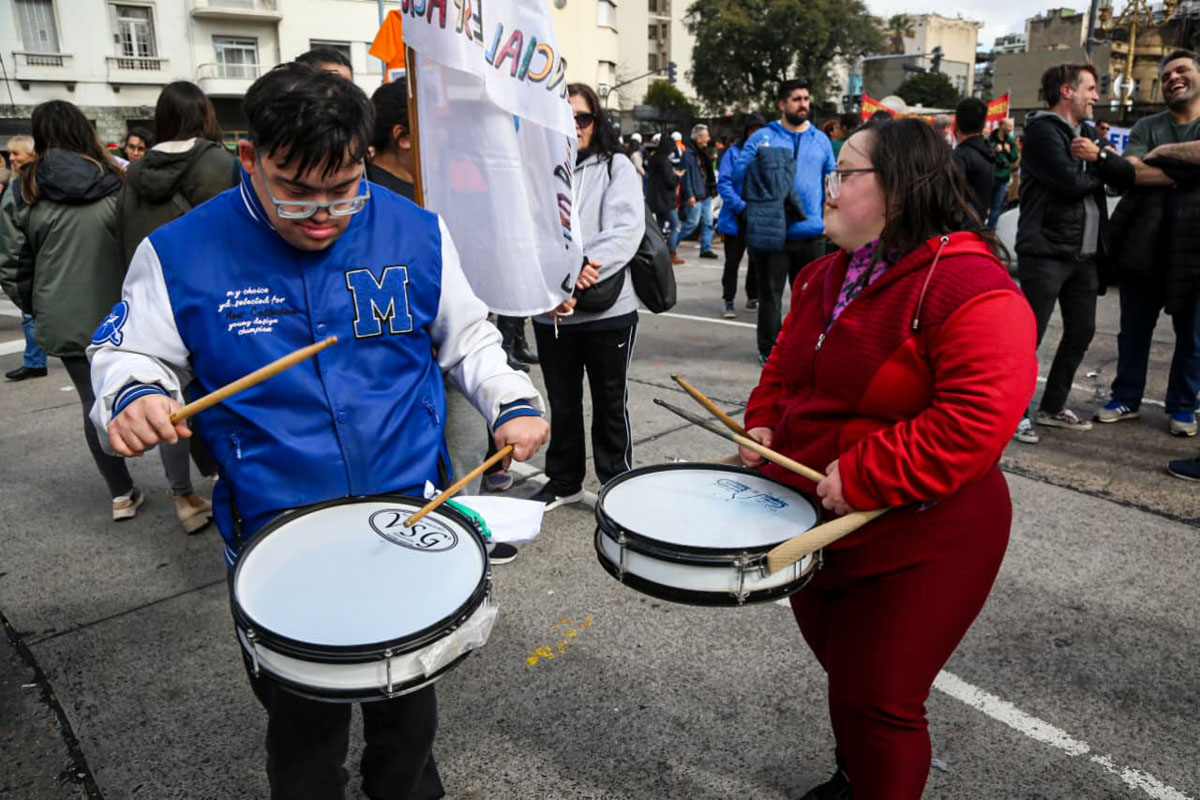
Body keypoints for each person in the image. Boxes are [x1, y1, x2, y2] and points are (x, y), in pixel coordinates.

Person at [89, 63, 548, 798]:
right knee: (303, 737)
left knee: (407, 714)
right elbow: (126, 350)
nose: (324, 214)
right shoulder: (180, 252)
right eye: (296, 192)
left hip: (409, 518)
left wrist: (510, 399)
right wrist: (133, 393)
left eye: (343, 188)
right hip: (279, 531)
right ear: (250, 159)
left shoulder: (418, 231)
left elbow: (470, 340)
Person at [740, 117, 1036, 800]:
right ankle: (857, 778)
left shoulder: (970, 286)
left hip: (926, 534)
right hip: (821, 525)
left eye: (846, 173)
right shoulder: (821, 274)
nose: (829, 188)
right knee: (847, 680)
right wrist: (763, 423)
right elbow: (785, 366)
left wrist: (870, 472)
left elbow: (978, 420)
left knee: (882, 700)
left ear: (900, 190)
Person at [0, 101, 144, 520]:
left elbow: (11, 262)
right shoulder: (117, 177)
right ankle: (181, 488)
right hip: (126, 312)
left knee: (90, 403)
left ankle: (121, 493)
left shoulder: (23, 187)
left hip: (63, 314)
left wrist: (36, 304)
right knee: (153, 388)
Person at [115, 80, 240, 533]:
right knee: (223, 394)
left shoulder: (135, 171)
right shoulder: (219, 164)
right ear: (206, 115)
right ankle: (230, 480)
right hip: (222, 302)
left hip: (156, 295)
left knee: (164, 402)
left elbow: (124, 238)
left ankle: (182, 496)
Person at [530, 83, 643, 511]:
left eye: (583, 118)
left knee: (611, 403)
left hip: (608, 310)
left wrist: (576, 270)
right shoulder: (535, 169)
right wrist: (558, 277)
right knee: (562, 402)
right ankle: (563, 481)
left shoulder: (616, 166)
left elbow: (625, 231)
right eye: (566, 117)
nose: (575, 126)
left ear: (597, 123)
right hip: (550, 312)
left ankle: (617, 483)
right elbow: (525, 231)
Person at [1013, 64, 1133, 444]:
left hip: (1085, 256)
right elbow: (1070, 183)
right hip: (1046, 251)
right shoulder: (1042, 132)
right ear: (1067, 91)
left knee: (1081, 332)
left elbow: (1126, 177)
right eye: (1092, 88)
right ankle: (1013, 414)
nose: (1098, 96)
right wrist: (1102, 165)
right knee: (1026, 338)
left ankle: (1051, 407)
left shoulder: (1084, 134)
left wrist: (1098, 157)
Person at [1096, 49, 1200, 438]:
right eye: (1167, 74)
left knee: (1193, 335)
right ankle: (1126, 397)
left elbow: (1146, 165)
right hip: (1145, 246)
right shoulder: (1146, 126)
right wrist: (1187, 173)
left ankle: (1183, 405)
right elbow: (1131, 173)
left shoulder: (1156, 138)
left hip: (1194, 250)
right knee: (1134, 329)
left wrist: (1164, 154)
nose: (1174, 78)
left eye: (1182, 70)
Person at [740, 78, 836, 363]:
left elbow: (832, 182)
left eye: (806, 98)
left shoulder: (821, 140)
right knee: (770, 298)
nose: (803, 104)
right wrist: (748, 209)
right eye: (796, 99)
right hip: (774, 234)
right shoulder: (762, 138)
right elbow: (738, 176)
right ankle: (769, 351)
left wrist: (831, 218)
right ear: (782, 104)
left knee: (810, 301)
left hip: (812, 234)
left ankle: (805, 348)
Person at [2, 134, 48, 381]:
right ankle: (34, 360)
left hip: (36, 258)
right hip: (34, 257)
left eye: (16, 153)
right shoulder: (19, 183)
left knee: (31, 313)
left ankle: (35, 361)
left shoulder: (28, 184)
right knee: (30, 315)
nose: (11, 158)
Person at [716, 112, 765, 317]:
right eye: (753, 130)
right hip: (736, 216)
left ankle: (753, 297)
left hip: (758, 216)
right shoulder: (732, 153)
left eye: (759, 130)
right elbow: (724, 183)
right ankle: (728, 299)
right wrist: (740, 206)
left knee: (756, 260)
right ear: (746, 131)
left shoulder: (766, 153)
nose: (756, 134)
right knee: (732, 261)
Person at [676, 124, 718, 259]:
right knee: (691, 224)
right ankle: (671, 244)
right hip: (695, 195)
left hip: (704, 194)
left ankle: (706, 248)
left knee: (708, 223)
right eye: (706, 136)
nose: (708, 138)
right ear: (699, 137)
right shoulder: (689, 155)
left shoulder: (702, 153)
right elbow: (685, 177)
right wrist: (689, 195)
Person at [951, 97, 995, 222]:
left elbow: (952, 197)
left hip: (961, 228)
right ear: (983, 124)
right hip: (979, 224)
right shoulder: (988, 152)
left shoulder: (960, 155)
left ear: (956, 124)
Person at [644, 132, 683, 265]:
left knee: (659, 227)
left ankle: (658, 252)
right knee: (675, 225)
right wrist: (677, 176)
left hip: (655, 199)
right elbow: (670, 182)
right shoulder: (665, 162)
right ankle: (671, 252)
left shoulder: (653, 159)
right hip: (666, 199)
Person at [987, 118, 1020, 227]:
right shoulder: (990, 139)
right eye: (1009, 126)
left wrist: (1009, 151)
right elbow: (984, 154)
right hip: (990, 176)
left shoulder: (1010, 141)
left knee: (997, 206)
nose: (1011, 129)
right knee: (984, 204)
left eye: (1012, 126)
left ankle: (991, 229)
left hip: (1003, 178)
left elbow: (1014, 157)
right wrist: (994, 150)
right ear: (1001, 126)